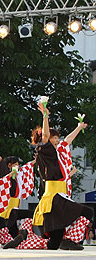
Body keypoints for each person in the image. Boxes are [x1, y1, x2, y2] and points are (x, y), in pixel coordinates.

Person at [32, 102, 93, 250]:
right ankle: (70, 239)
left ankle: (25, 239)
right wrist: (45, 115)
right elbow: (45, 135)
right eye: (54, 138)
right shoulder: (45, 151)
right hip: (54, 197)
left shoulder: (58, 152)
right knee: (87, 211)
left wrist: (79, 127)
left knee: (54, 243)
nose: (57, 140)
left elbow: (68, 140)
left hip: (57, 196)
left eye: (57, 137)